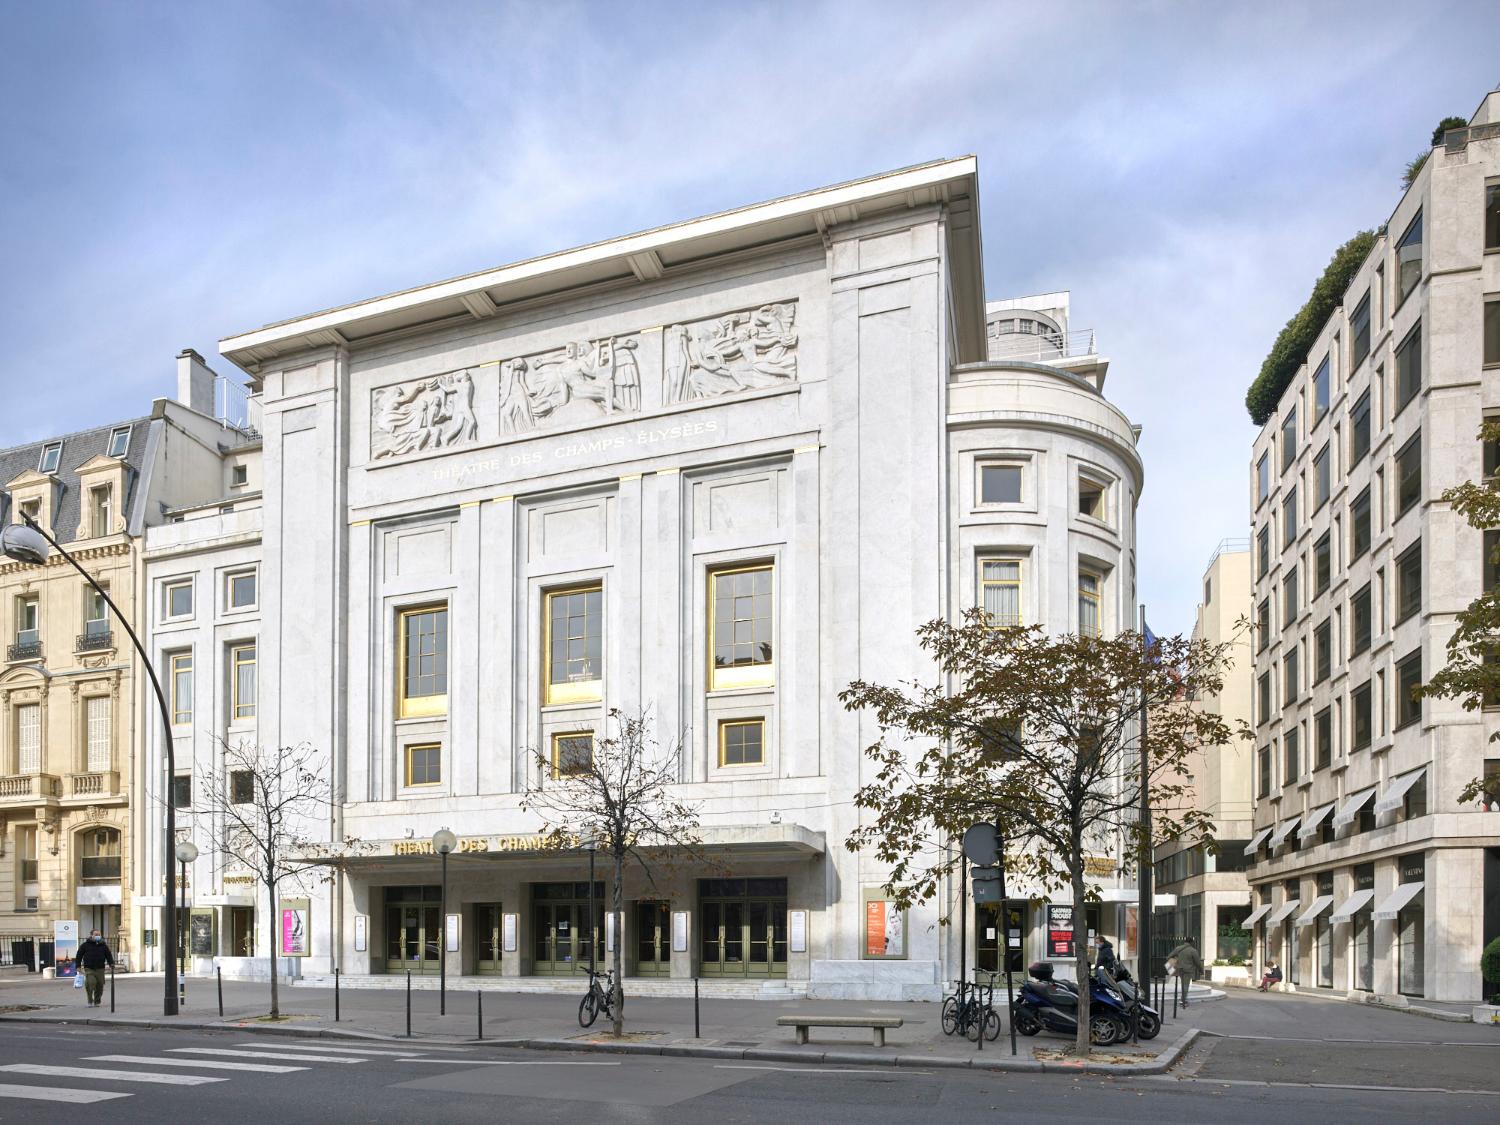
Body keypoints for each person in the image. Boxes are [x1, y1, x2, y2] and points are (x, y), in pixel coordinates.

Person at [76, 928, 115, 1007]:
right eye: (96, 935)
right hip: (89, 968)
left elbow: (108, 955)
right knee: (91, 983)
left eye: (99, 935)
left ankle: (97, 1001)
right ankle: (90, 1000)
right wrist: (78, 966)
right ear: (91, 936)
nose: (98, 936)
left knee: (100, 985)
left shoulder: (103, 945)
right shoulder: (85, 945)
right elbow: (79, 955)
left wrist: (111, 964)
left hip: (100, 968)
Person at [1166, 939, 1203, 1007]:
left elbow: (1168, 957)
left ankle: (1183, 999)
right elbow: (1198, 962)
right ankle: (1183, 1001)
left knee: (1184, 984)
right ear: (1191, 942)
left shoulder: (1178, 948)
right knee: (1185, 985)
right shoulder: (1193, 950)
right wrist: (1201, 971)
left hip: (1179, 969)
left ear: (1185, 942)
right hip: (1188, 970)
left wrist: (1176, 960)